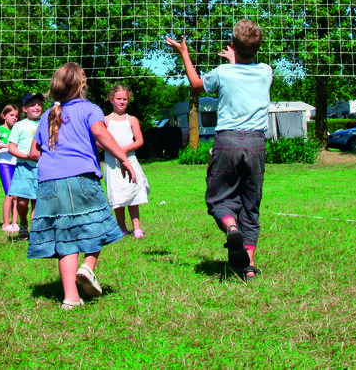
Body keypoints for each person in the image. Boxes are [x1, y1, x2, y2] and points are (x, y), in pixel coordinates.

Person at [166, 19, 272, 281]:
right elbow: (243, 78)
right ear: (257, 48)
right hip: (256, 143)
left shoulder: (223, 72)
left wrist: (184, 53)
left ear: (232, 45)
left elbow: (195, 83)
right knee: (251, 204)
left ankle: (231, 226)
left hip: (228, 141)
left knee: (218, 197)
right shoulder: (266, 71)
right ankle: (248, 268)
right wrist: (236, 58)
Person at [27, 63, 136, 310]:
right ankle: (87, 267)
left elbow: (35, 152)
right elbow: (100, 134)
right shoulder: (90, 109)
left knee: (65, 237)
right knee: (97, 225)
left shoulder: (47, 115)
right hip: (81, 177)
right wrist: (123, 158)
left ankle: (71, 298)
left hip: (48, 183)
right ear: (82, 85)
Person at [103, 83, 150, 237]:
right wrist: (114, 151)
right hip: (113, 163)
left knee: (133, 193)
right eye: (119, 99)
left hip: (130, 160)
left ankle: (137, 227)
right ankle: (121, 227)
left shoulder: (132, 120)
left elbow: (139, 141)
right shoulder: (105, 120)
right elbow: (98, 141)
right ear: (111, 99)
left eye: (125, 99)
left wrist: (124, 150)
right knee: (118, 195)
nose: (122, 102)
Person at [7, 93, 43, 240]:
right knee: (22, 202)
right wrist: (27, 156)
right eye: (32, 105)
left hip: (41, 168)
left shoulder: (45, 124)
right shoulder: (19, 126)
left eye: (39, 104)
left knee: (38, 201)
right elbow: (12, 148)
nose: (36, 107)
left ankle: (35, 231)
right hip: (24, 168)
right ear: (24, 109)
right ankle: (23, 221)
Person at [0, 104, 20, 233]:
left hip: (17, 164)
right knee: (9, 194)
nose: (14, 118)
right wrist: (3, 146)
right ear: (4, 116)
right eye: (12, 115)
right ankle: (5, 224)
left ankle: (15, 223)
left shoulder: (17, 130)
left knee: (17, 195)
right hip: (5, 164)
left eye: (17, 116)